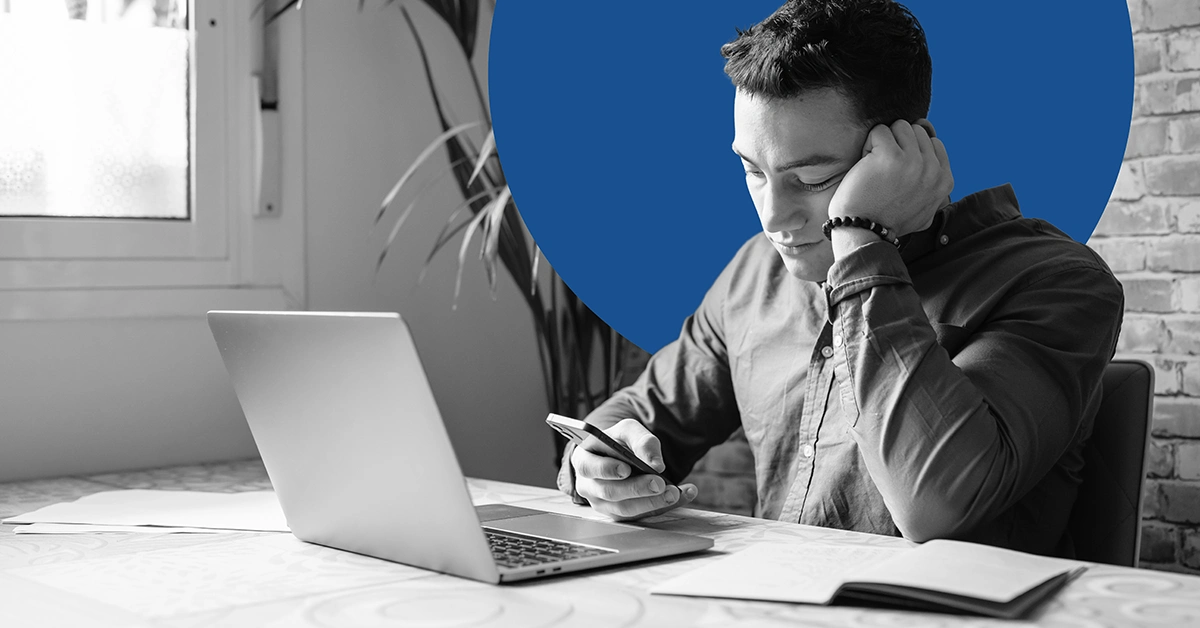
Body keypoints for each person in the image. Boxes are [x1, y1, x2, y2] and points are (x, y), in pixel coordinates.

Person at [557, 0, 1124, 558]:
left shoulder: (1056, 282)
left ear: (902, 151)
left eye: (812, 179)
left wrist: (859, 239)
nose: (774, 217)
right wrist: (600, 462)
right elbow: (640, 413)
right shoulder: (755, 273)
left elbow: (935, 505)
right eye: (753, 171)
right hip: (768, 597)